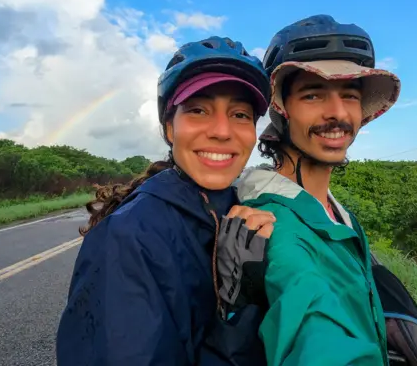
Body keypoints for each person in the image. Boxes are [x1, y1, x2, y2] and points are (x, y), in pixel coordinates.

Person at [56, 36, 276, 366]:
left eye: (240, 114)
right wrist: (239, 310)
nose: (221, 131)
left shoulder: (246, 210)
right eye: (198, 110)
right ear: (169, 128)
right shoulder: (129, 237)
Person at [223, 14, 402, 365]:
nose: (337, 113)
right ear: (281, 109)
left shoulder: (335, 212)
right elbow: (311, 321)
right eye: (313, 95)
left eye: (350, 95)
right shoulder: (277, 225)